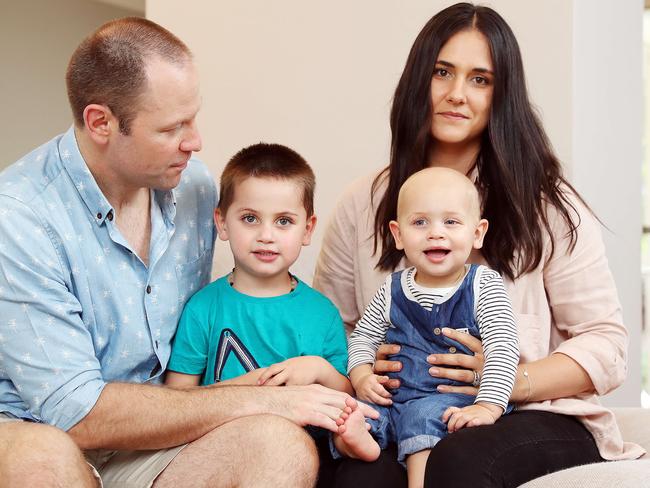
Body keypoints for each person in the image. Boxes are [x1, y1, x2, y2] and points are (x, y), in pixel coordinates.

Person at [0, 18, 373, 488]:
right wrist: (267, 398)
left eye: (193, 118)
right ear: (101, 123)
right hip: (43, 429)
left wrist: (290, 394)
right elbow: (75, 413)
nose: (194, 142)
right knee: (42, 456)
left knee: (279, 445)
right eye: (174, 127)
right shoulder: (18, 218)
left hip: (156, 437)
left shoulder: (192, 185)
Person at [313, 3, 646, 487]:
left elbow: (607, 344)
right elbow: (335, 331)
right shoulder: (362, 204)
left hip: (534, 415)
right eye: (442, 72)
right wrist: (364, 367)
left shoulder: (548, 205)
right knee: (357, 476)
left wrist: (507, 379)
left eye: (480, 79)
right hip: (407, 409)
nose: (455, 94)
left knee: (459, 458)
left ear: (501, 95)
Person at [332, 167, 519, 488]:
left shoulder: (482, 285)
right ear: (398, 234)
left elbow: (503, 347)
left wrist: (488, 405)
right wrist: (361, 375)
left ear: (477, 232)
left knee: (422, 419)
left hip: (451, 399)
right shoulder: (391, 289)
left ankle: (419, 481)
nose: (435, 233)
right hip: (395, 397)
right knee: (355, 413)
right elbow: (362, 336)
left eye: (451, 222)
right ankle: (357, 442)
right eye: (420, 222)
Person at [164, 142, 352, 397]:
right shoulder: (202, 308)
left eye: (283, 221)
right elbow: (176, 399)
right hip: (223, 435)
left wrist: (320, 369)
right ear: (222, 223)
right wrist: (251, 385)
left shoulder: (323, 313)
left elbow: (348, 397)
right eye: (250, 218)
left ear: (307, 230)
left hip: (298, 435)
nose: (266, 235)